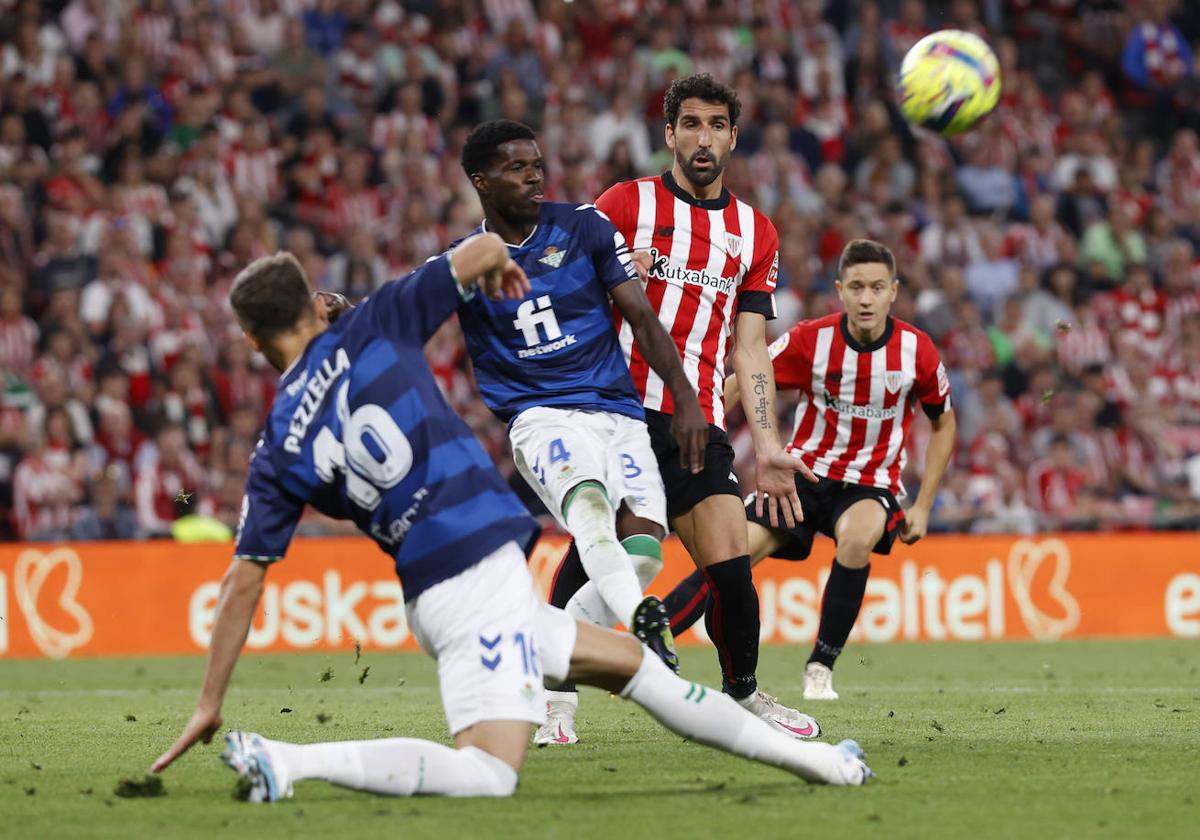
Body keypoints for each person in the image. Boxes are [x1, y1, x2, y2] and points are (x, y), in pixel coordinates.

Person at [150, 234, 873, 801]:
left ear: (251, 342)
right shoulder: (374, 325)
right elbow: (485, 249)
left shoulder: (277, 441)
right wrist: (491, 271)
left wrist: (209, 700)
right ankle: (284, 760)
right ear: (314, 305)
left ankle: (823, 766)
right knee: (489, 773)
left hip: (446, 589)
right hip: (470, 581)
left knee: (641, 675)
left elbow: (244, 579)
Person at [546, 74, 819, 741]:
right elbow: (556, 289)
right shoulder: (623, 203)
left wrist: (771, 447)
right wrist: (607, 277)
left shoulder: (755, 232)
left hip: (695, 422)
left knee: (730, 569)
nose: (704, 138)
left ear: (733, 135)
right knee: (599, 549)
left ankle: (745, 698)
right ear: (668, 134)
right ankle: (554, 702)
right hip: (616, 413)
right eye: (690, 124)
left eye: (717, 125)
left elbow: (750, 351)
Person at [448, 120, 711, 700]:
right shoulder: (465, 264)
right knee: (588, 504)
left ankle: (544, 656)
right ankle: (646, 619)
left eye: (537, 163)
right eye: (517, 167)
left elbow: (641, 317)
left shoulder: (587, 227)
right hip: (541, 415)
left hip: (618, 411)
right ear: (481, 181)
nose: (534, 175)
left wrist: (685, 396)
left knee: (642, 549)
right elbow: (403, 309)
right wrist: (351, 314)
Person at [662, 239, 957, 700]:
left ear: (893, 292)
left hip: (870, 482)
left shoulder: (917, 351)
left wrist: (922, 505)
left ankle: (820, 666)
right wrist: (698, 429)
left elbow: (944, 424)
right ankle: (653, 639)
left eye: (876, 288)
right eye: (856, 287)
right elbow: (744, 380)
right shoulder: (809, 340)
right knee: (730, 555)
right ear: (840, 290)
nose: (865, 298)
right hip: (802, 475)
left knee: (857, 539)